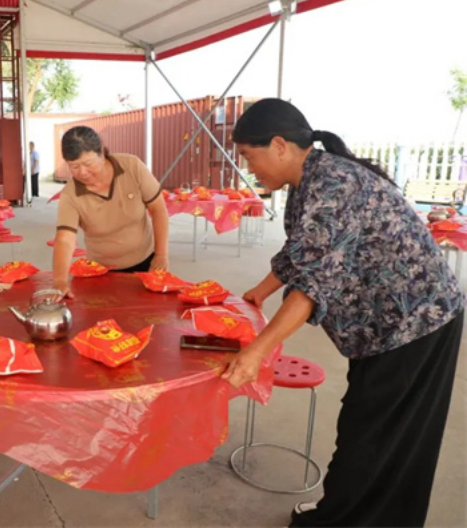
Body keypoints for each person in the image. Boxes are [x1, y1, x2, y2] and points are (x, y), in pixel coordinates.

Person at [220, 98, 464, 528]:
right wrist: (259, 292)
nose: (248, 167)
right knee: (370, 430)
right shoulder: (308, 180)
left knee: (376, 435)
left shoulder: (333, 184)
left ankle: (345, 520)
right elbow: (301, 253)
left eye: (248, 156)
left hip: (416, 321)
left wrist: (256, 352)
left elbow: (312, 286)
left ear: (279, 146)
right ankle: (354, 516)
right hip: (386, 325)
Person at [52, 126, 169, 297]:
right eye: (74, 166)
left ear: (101, 153)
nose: (82, 172)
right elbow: (65, 239)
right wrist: (60, 281)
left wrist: (161, 255)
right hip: (100, 272)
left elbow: (158, 209)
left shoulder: (132, 166)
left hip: (146, 263)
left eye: (88, 164)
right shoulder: (70, 195)